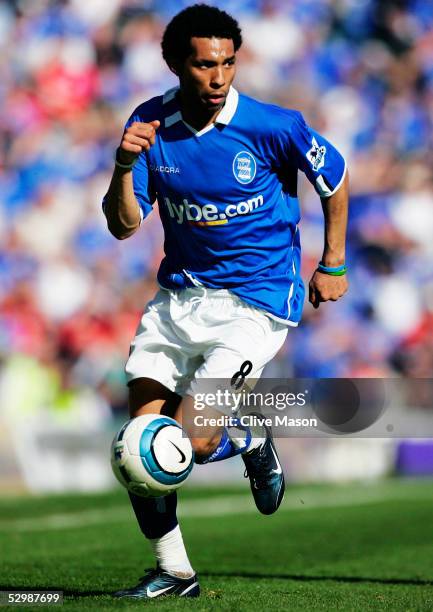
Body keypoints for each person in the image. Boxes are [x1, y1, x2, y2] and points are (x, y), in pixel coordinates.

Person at [103, 3, 348, 600]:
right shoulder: (149, 124)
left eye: (228, 64)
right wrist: (124, 164)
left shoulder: (271, 125)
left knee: (192, 441)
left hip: (257, 302)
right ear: (174, 65)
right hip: (179, 299)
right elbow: (122, 226)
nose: (218, 78)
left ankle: (246, 438)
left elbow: (334, 179)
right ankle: (174, 571)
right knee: (139, 445)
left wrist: (333, 262)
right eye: (204, 65)